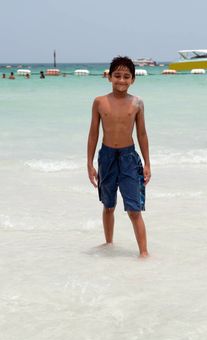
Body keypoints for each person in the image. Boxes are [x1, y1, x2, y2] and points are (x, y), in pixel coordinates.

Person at [87, 56, 151, 258]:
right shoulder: (99, 102)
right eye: (117, 76)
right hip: (106, 157)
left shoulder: (137, 103)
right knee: (108, 205)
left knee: (134, 209)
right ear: (109, 77)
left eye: (126, 76)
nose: (121, 80)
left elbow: (142, 134)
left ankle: (143, 253)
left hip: (129, 158)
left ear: (133, 79)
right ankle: (108, 244)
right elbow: (93, 133)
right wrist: (89, 163)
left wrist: (148, 163)